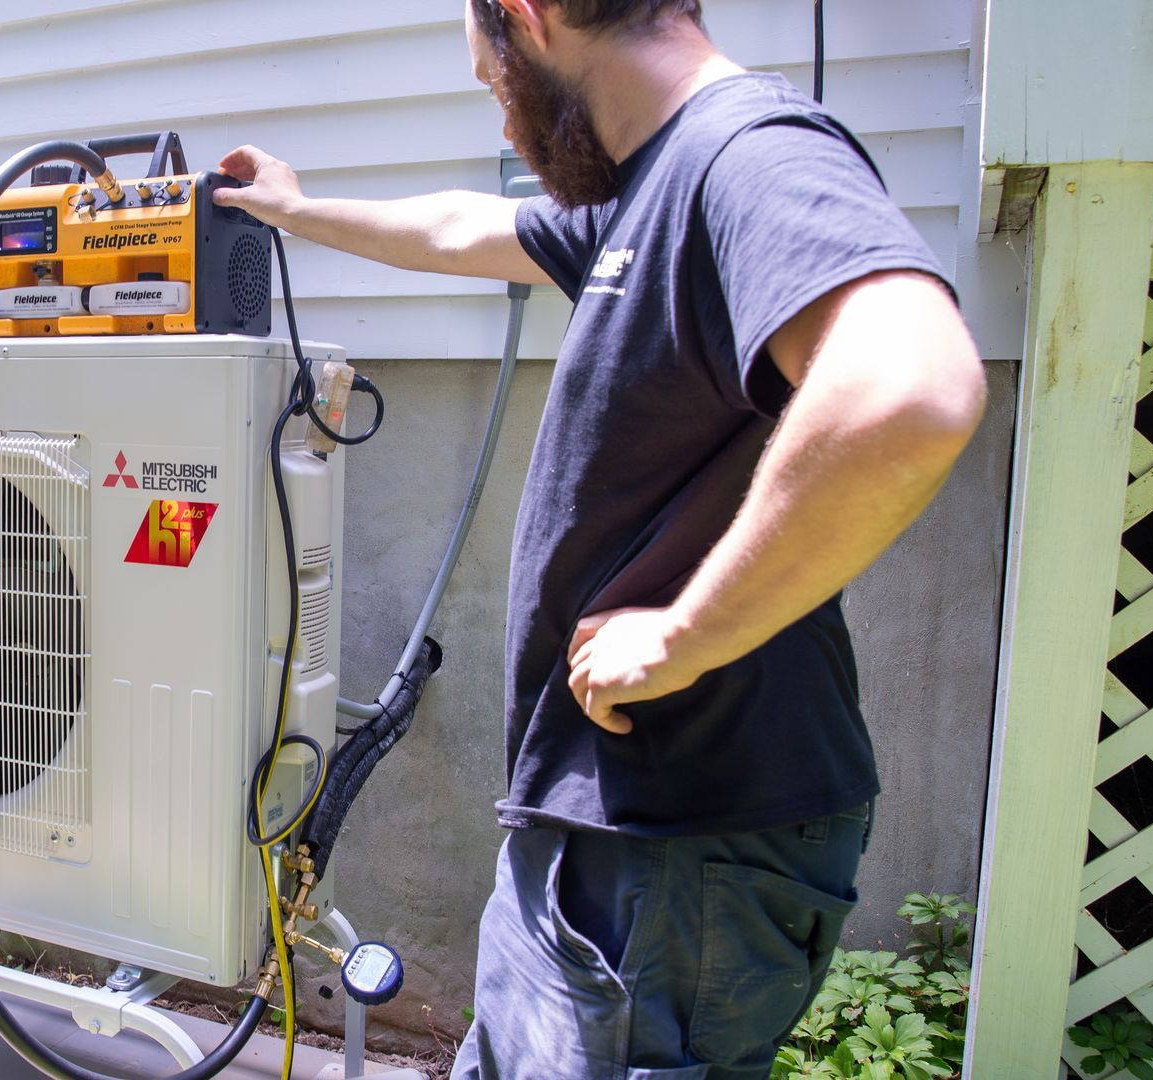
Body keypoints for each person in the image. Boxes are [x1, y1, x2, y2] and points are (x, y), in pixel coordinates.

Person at [213, 0, 987, 1076]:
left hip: (677, 845)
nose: (501, 127)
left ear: (528, 18)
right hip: (618, 841)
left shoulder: (744, 154)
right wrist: (292, 210)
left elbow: (911, 389)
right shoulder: (651, 187)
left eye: (492, 83)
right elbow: (456, 231)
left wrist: (682, 636)